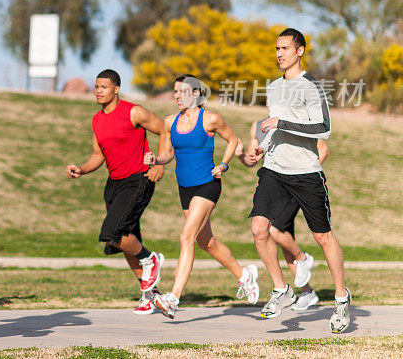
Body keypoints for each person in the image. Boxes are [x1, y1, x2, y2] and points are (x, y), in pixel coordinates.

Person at [248, 27, 350, 333]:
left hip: (305, 171)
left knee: (323, 237)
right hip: (274, 169)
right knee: (258, 228)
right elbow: (274, 130)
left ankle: (342, 298)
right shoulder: (273, 87)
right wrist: (260, 148)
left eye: (285, 48)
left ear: (300, 51)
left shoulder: (311, 87)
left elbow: (323, 128)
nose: (279, 54)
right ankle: (282, 289)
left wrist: (282, 122)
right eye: (277, 48)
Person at [144, 75, 260, 319]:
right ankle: (244, 275)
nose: (176, 96)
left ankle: (173, 298)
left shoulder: (210, 119)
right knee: (205, 242)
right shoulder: (169, 122)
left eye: (182, 91)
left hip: (208, 185)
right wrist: (156, 160)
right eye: (174, 91)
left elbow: (233, 139)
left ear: (195, 93)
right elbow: (167, 154)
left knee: (186, 236)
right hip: (184, 187)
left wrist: (224, 164)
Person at [65, 69, 166, 314]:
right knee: (126, 240)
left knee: (112, 233)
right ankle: (150, 295)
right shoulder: (97, 120)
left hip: (138, 179)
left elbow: (165, 129)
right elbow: (98, 155)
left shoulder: (134, 111)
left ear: (116, 89)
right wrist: (82, 169)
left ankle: (151, 259)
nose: (98, 91)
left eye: (104, 87)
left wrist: (160, 163)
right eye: (96, 87)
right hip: (114, 184)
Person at [235, 119, 330, 312]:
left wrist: (303, 174)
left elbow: (324, 149)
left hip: (297, 183)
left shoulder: (294, 120)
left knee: (275, 230)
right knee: (282, 237)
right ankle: (307, 292)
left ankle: (302, 259)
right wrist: (241, 156)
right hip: (275, 185)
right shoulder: (257, 125)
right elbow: (251, 161)